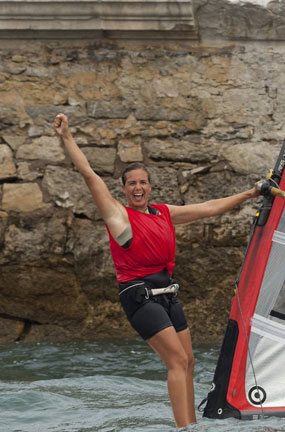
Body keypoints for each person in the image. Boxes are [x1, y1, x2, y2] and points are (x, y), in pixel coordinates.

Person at [54, 113, 260, 428]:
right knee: (177, 360)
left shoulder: (163, 212)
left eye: (143, 182)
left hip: (167, 294)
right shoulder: (118, 215)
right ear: (124, 189)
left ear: (149, 187)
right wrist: (67, 137)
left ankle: (191, 424)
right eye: (132, 183)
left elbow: (207, 208)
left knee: (189, 361)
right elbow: (88, 173)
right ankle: (183, 427)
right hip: (139, 296)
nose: (138, 187)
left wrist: (250, 194)